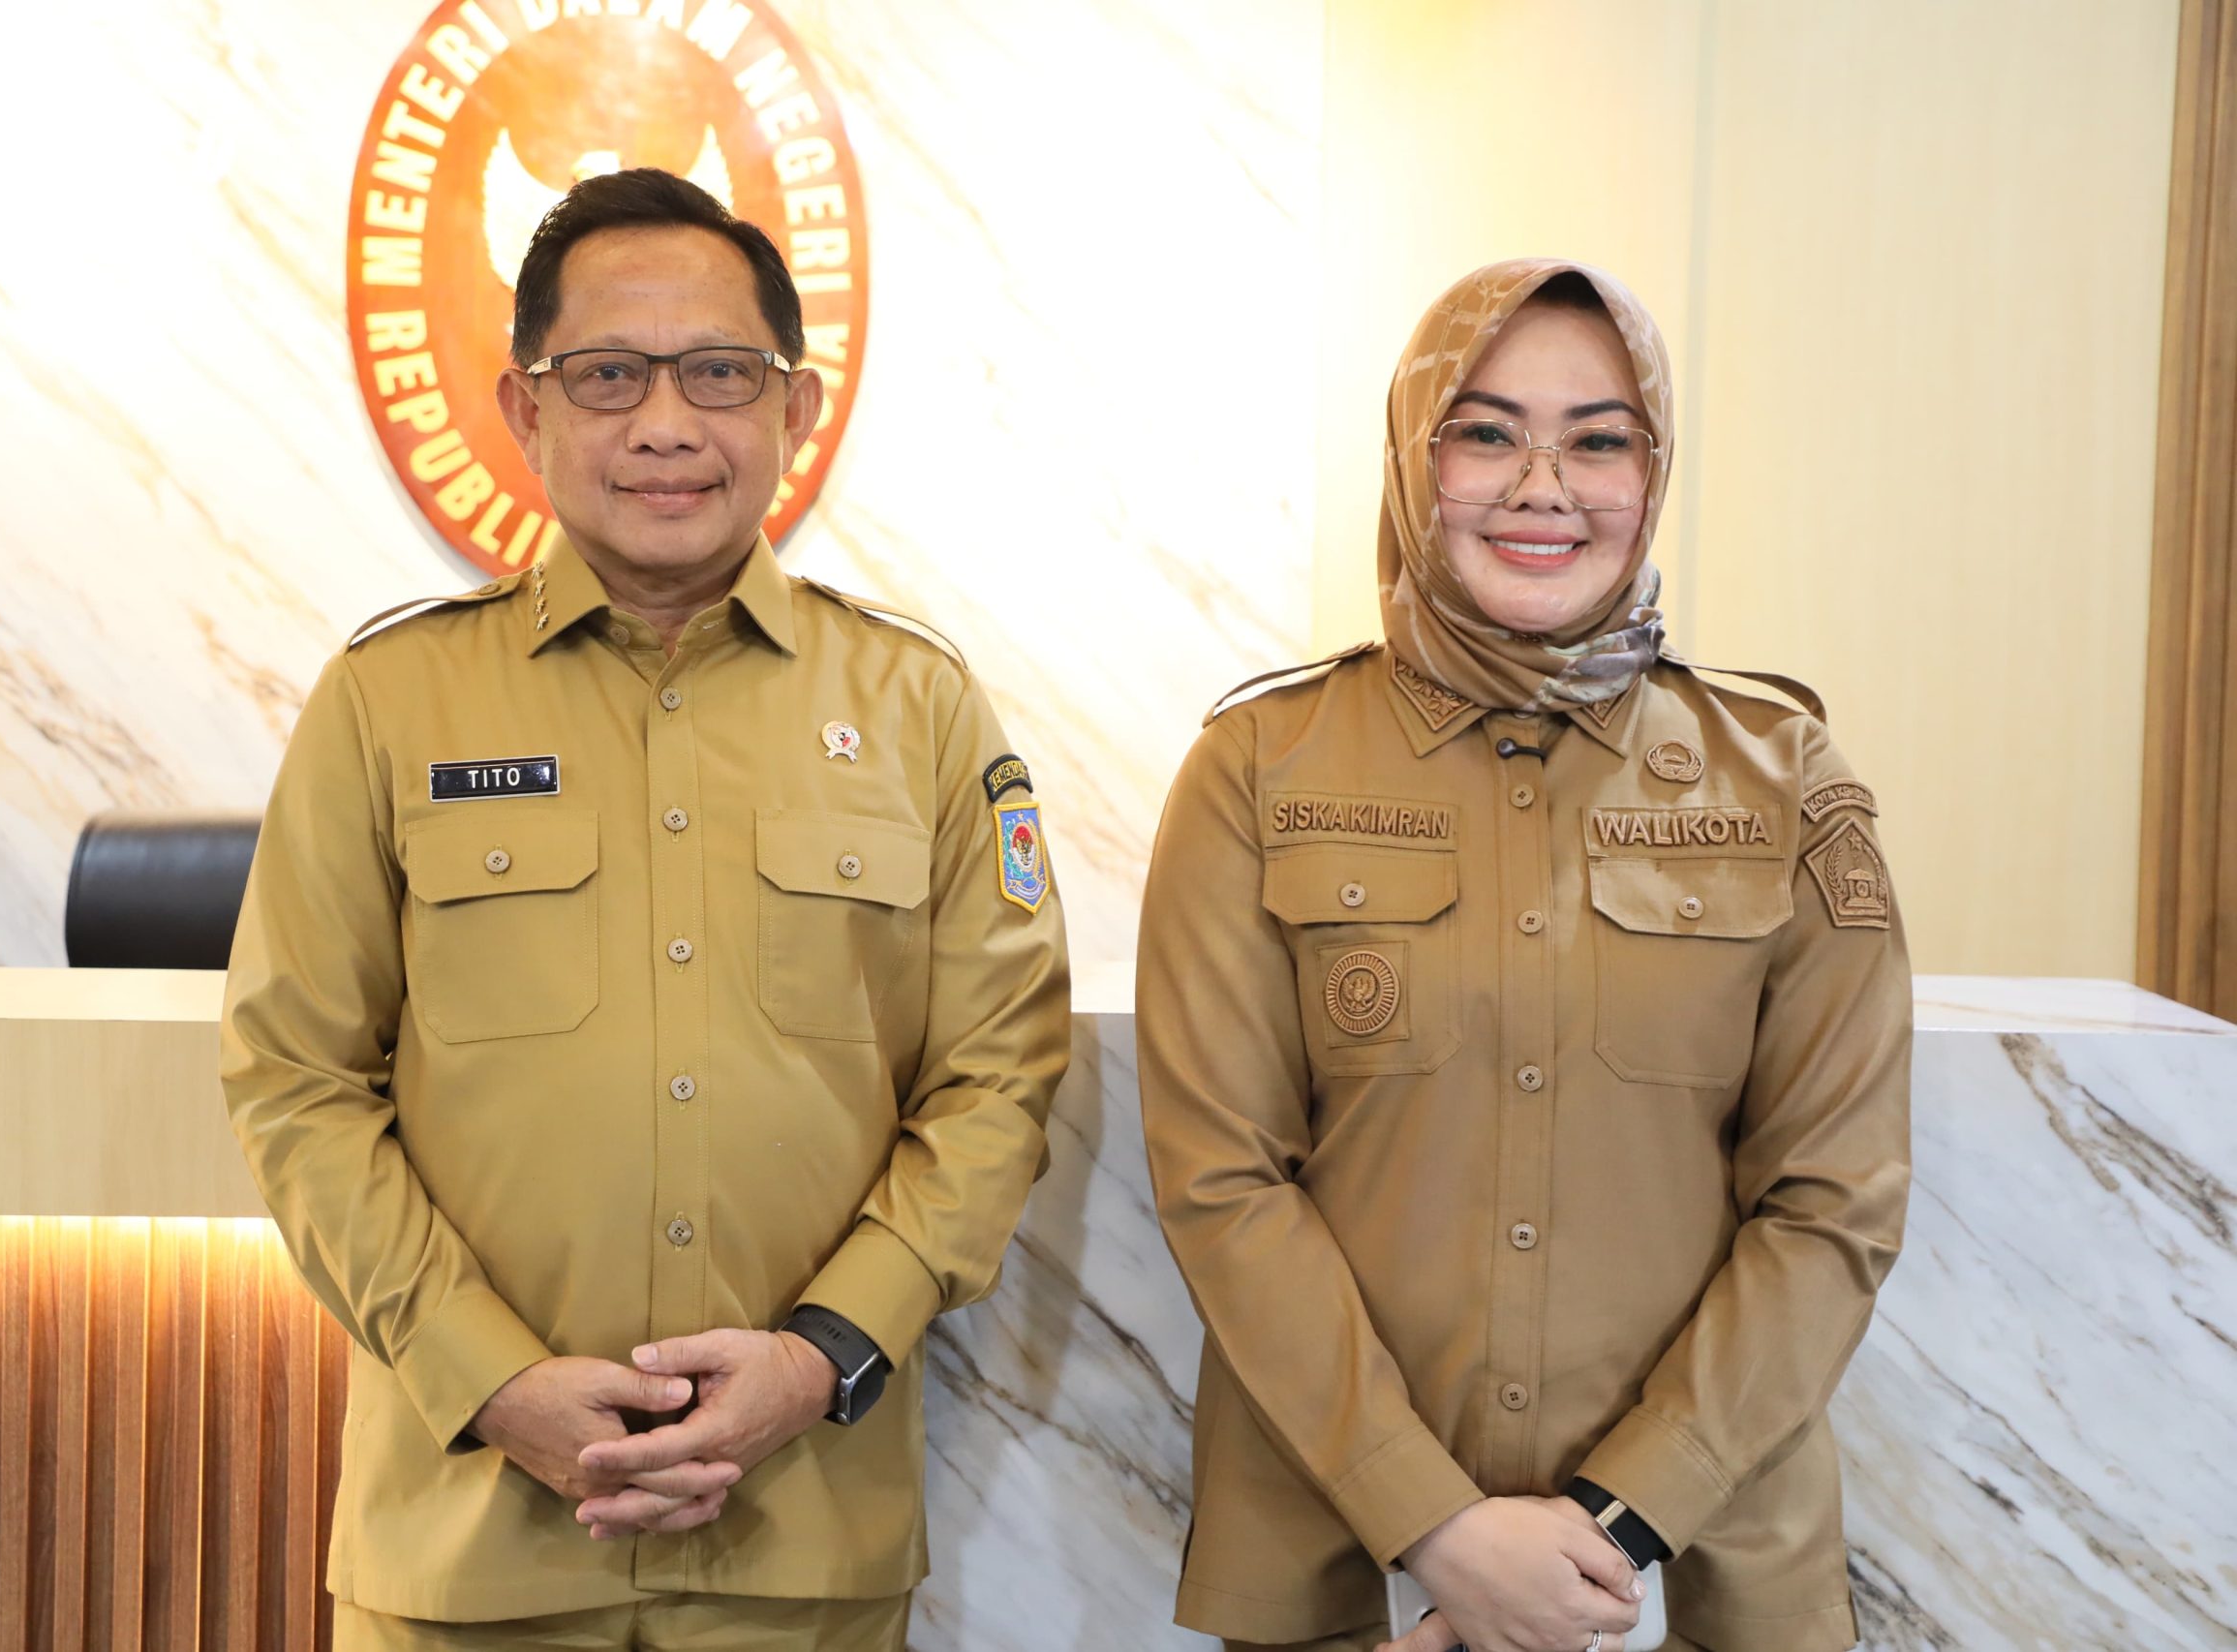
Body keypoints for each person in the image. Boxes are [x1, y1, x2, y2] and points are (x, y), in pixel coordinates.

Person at [222, 168, 1072, 1652]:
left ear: (795, 408)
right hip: (471, 1553)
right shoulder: (387, 700)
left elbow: (998, 1077)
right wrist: (486, 1374)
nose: (667, 424)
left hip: (800, 1544)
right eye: (609, 374)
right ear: (526, 407)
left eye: (720, 374)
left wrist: (823, 1353)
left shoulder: (920, 706)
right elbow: (294, 1076)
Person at [1137, 259, 1912, 1652]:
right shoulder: (1258, 765)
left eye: (1599, 441)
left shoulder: (1783, 774)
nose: (1543, 488)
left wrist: (1615, 1528)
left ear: (1652, 472)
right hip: (1334, 1560)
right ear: (1412, 460)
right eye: (1486, 432)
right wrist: (1435, 1522)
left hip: (1701, 1570)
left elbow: (1832, 1203)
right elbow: (1220, 1180)